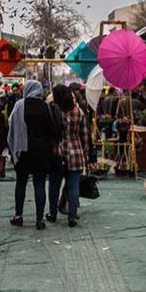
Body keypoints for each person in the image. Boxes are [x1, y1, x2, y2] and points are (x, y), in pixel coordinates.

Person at [8, 80, 59, 229]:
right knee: (40, 184)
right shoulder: (46, 107)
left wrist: (13, 149)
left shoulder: (19, 106)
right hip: (42, 152)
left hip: (23, 151)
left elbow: (11, 126)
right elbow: (52, 131)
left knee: (21, 183)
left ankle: (18, 215)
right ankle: (39, 219)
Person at [48, 84, 92, 227]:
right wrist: (85, 153)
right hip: (76, 152)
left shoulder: (55, 111)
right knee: (73, 186)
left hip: (58, 153)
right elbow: (85, 135)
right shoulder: (78, 111)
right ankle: (72, 215)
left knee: (54, 185)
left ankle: (53, 214)